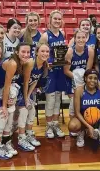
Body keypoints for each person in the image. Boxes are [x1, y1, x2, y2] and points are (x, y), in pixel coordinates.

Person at [0, 42, 31, 158]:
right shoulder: (13, 63)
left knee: (11, 112)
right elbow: (7, 85)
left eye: (28, 52)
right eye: (23, 51)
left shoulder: (24, 63)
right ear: (17, 52)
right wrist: (4, 106)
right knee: (4, 115)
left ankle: (5, 142)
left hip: (2, 89)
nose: (26, 54)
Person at [16, 43, 50, 150]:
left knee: (32, 109)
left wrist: (29, 97)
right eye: (42, 51)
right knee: (24, 110)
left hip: (27, 91)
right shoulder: (31, 62)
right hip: (18, 88)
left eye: (47, 51)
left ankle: (29, 134)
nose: (45, 53)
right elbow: (25, 82)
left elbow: (34, 82)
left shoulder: (45, 65)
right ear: (36, 52)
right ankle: (21, 138)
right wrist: (26, 99)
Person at [39, 10, 66, 139]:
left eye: (59, 19)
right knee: (50, 100)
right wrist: (46, 63)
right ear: (50, 20)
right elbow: (38, 52)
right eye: (55, 19)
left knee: (57, 99)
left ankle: (56, 124)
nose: (57, 21)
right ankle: (48, 125)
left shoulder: (63, 33)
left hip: (60, 70)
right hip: (50, 72)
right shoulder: (45, 36)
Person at [64, 30, 94, 136]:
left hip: (84, 78)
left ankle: (85, 126)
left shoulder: (90, 50)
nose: (81, 40)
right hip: (72, 78)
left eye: (83, 37)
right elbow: (66, 70)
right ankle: (74, 126)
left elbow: (88, 69)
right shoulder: (70, 52)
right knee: (73, 104)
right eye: (79, 38)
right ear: (74, 39)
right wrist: (76, 77)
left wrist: (83, 79)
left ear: (86, 38)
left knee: (84, 102)